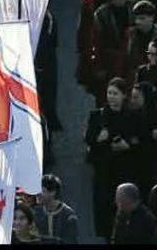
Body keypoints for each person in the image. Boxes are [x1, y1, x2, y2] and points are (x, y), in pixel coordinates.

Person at [86, 77, 145, 240]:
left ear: (123, 95)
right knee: (105, 213)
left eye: (115, 93)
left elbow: (141, 141)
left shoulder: (133, 117)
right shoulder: (98, 116)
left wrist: (128, 146)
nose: (111, 97)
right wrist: (99, 140)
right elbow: (89, 141)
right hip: (104, 173)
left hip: (125, 173)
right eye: (109, 93)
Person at [32, 174, 79, 244]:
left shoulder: (68, 216)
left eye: (42, 191)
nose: (37, 194)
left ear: (52, 192)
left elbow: (69, 241)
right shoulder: (36, 212)